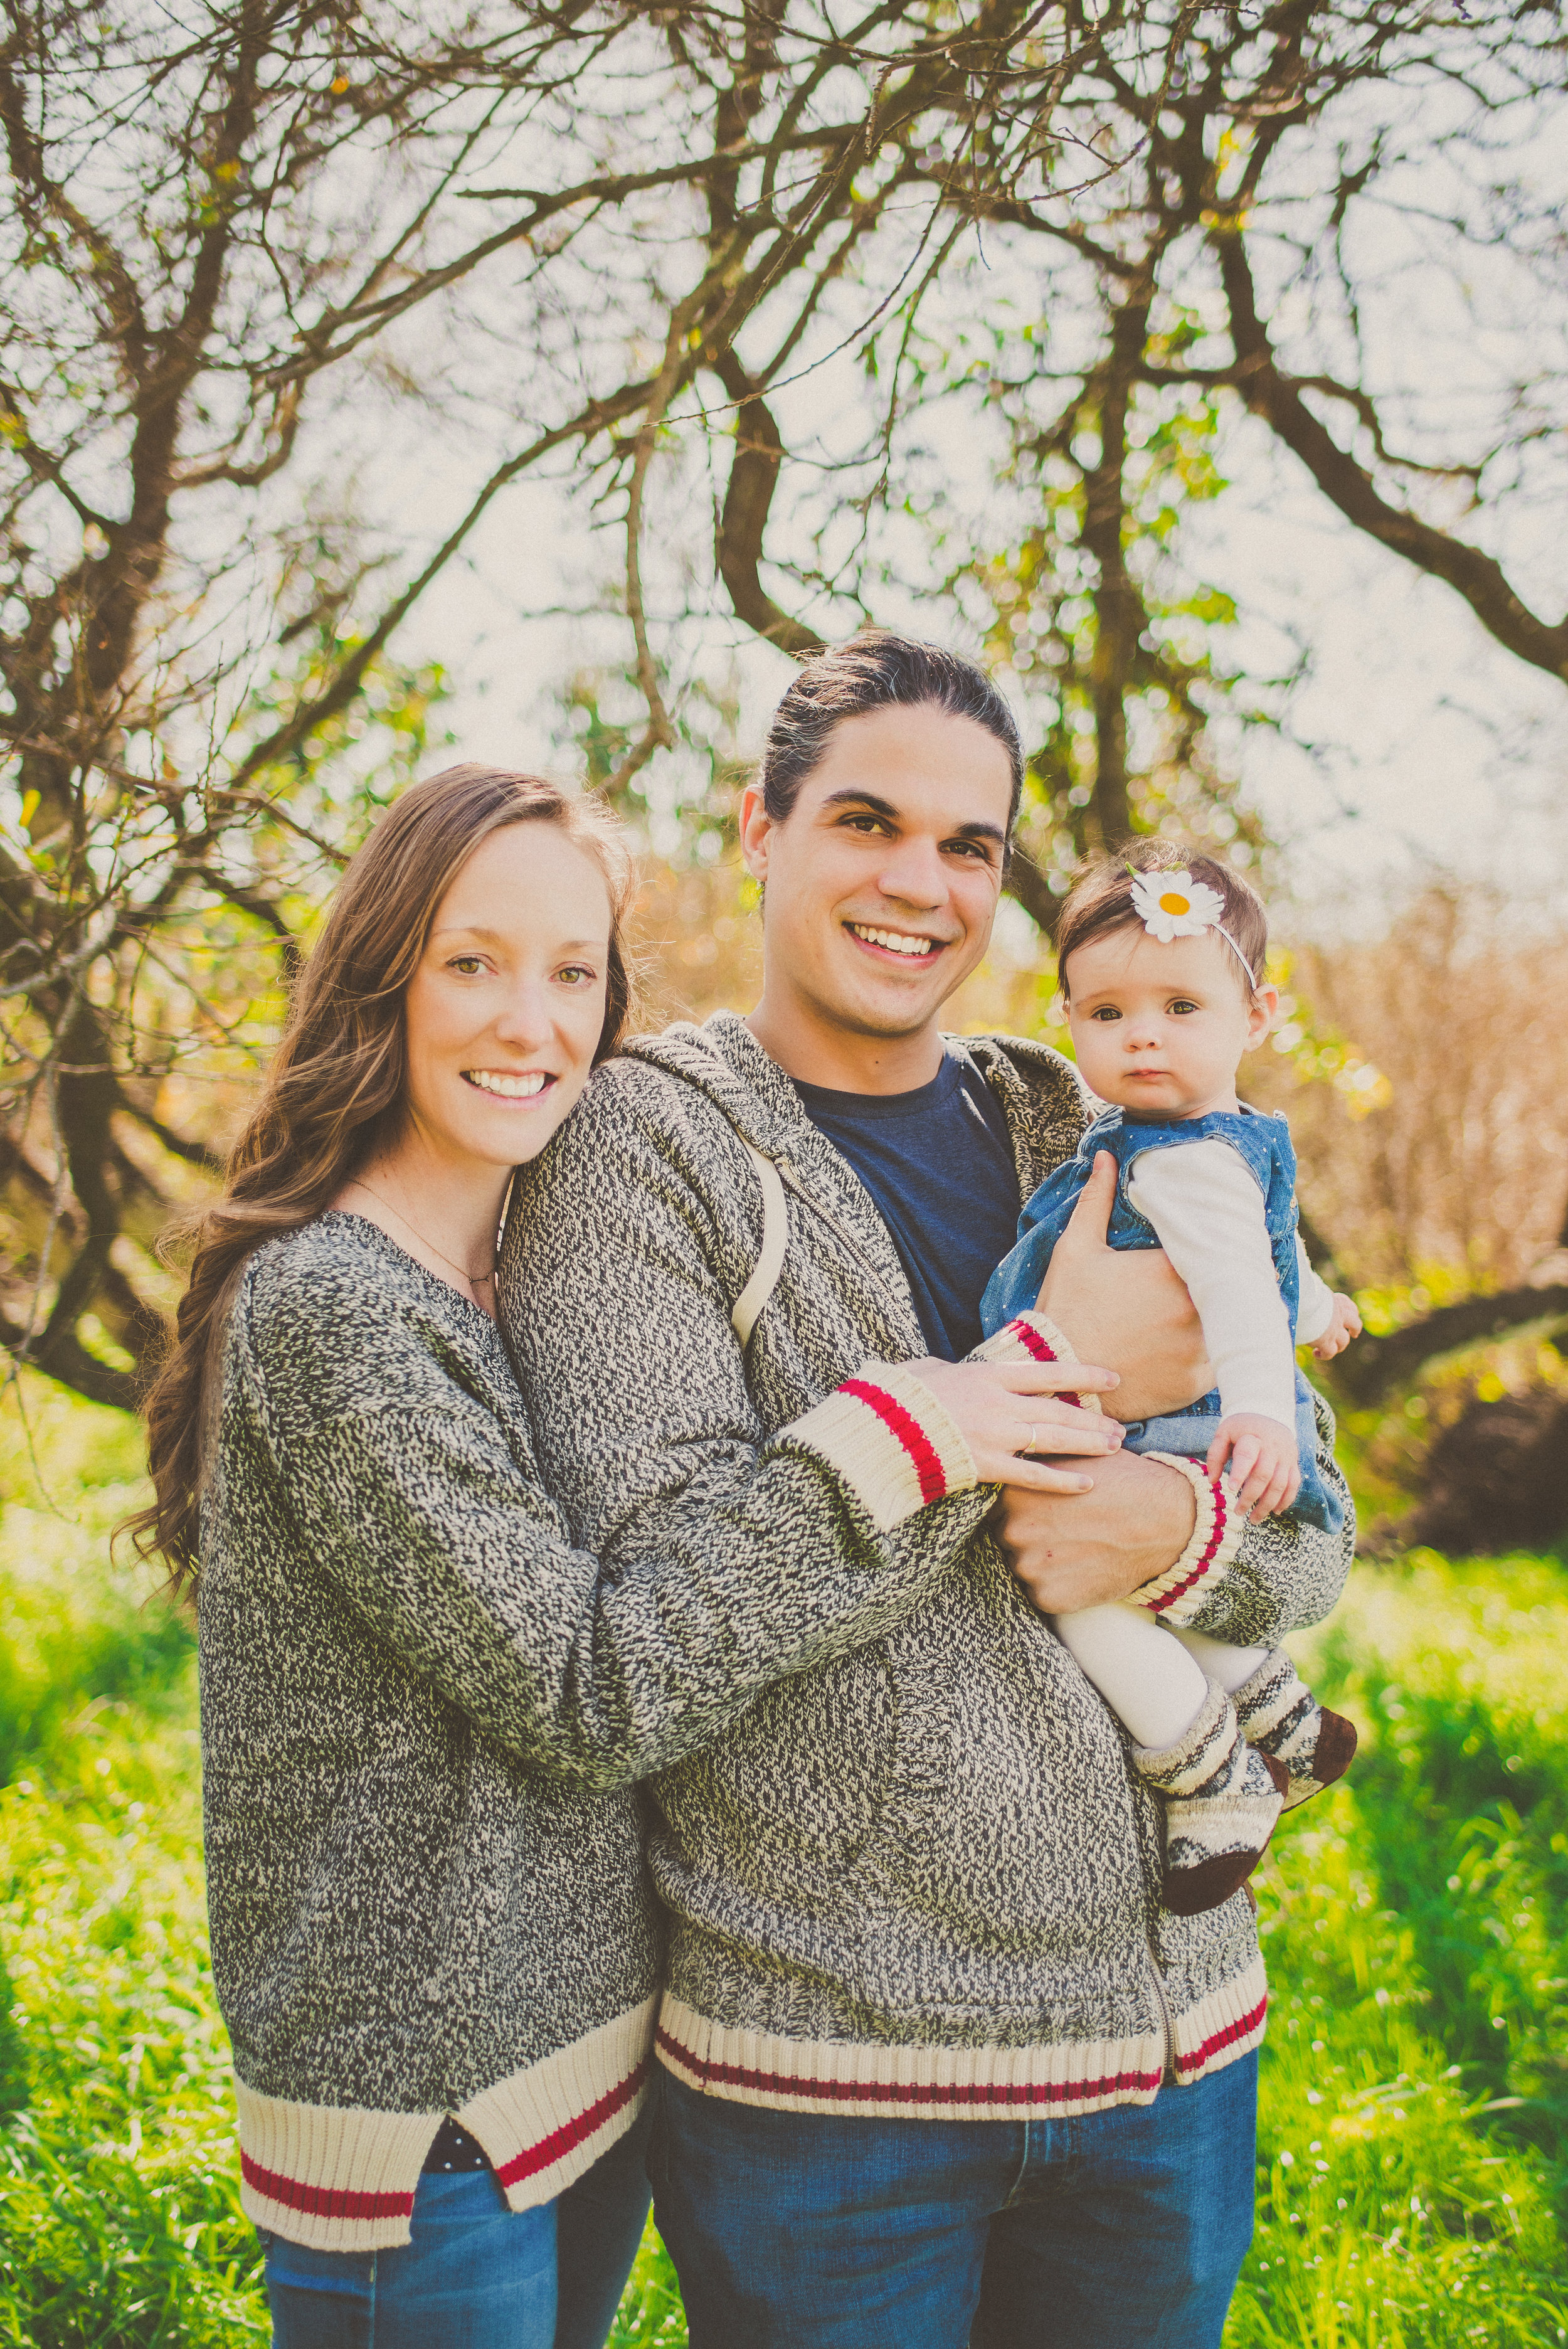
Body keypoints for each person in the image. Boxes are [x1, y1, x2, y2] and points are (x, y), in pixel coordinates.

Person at [126, 763, 1090, 2349]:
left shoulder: (513, 1272)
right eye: (473, 962)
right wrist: (903, 1437)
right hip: (424, 2128)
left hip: (586, 2080)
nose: (534, 1021)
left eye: (574, 972)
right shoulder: (337, 1310)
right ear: (382, 976)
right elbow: (591, 1686)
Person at [500, 637, 1357, 2349]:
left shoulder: (1096, 1118)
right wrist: (1023, 1396)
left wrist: (1166, 1526)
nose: (920, 883)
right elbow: (654, 1635)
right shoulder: (634, 1150)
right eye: (868, 821)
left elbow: (1306, 1538)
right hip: (833, 2091)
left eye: (970, 847)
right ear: (759, 828)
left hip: (1169, 2059)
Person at [982, 842, 1362, 1917]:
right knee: (1158, 1586)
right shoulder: (1202, 1142)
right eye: (1106, 1013)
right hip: (1184, 1421)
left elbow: (1237, 1284)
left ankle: (1213, 1776)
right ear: (1068, 1020)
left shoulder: (1180, 1155)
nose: (1141, 1032)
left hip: (1180, 1433)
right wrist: (1321, 1308)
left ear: (1258, 1014)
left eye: (1180, 1005)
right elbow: (1265, 1257)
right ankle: (1280, 1710)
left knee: (1091, 1603)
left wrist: (1258, 1404)